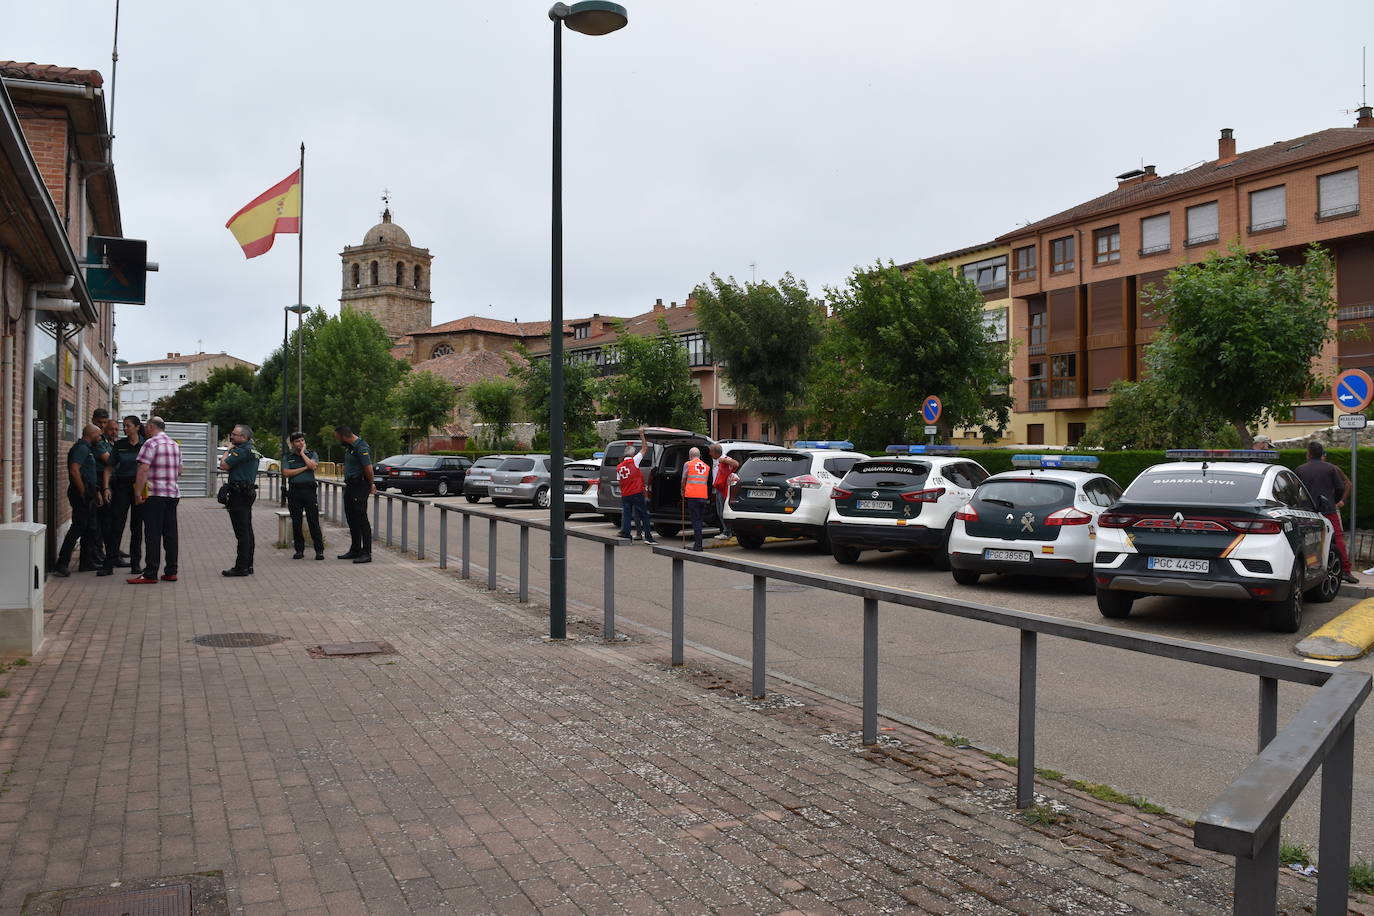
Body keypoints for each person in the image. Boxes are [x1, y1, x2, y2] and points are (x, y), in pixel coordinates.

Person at [1295, 440, 1358, 585]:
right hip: (1328, 510)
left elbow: (1295, 490)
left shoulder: (1300, 469)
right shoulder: (1331, 469)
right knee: (1338, 539)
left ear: (1309, 454)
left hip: (1307, 512)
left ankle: (1309, 567)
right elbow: (1341, 487)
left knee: (1309, 540)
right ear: (1321, 453)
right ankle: (1346, 571)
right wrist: (1334, 501)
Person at [128, 416, 182, 584]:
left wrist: (138, 492)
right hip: (172, 495)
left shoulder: (150, 443)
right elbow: (180, 471)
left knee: (152, 534)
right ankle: (171, 571)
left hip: (154, 495)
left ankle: (150, 572)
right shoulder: (175, 445)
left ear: (151, 427)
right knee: (170, 533)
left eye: (146, 426)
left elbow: (143, 469)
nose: (144, 429)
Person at [51, 424, 103, 577]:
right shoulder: (81, 448)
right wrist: (82, 491)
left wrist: (96, 492)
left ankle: (86, 562)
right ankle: (62, 563)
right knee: (78, 527)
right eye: (98, 435)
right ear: (92, 434)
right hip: (81, 492)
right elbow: (74, 470)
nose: (99, 438)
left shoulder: (88, 449)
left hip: (89, 492)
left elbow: (89, 472)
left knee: (90, 527)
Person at [99, 416, 145, 577]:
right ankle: (109, 563)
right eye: (123, 426)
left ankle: (136, 564)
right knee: (117, 525)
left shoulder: (146, 444)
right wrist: (105, 488)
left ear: (137, 427)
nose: (124, 429)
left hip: (141, 486)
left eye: (128, 426)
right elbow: (108, 468)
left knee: (137, 526)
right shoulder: (120, 445)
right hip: (122, 486)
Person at [219, 425, 259, 577]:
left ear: (244, 437)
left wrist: (228, 450)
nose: (232, 437)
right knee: (247, 530)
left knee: (242, 532)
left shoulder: (241, 450)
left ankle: (241, 567)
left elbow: (224, 465)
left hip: (239, 494)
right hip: (247, 492)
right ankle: (248, 565)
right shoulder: (253, 450)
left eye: (235, 435)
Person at [335, 424, 374, 563]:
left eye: (338, 437)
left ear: (344, 436)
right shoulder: (350, 447)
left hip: (360, 486)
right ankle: (355, 549)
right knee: (351, 518)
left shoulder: (361, 447)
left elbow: (368, 468)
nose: (338, 440)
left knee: (361, 519)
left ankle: (366, 552)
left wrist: (372, 484)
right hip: (350, 486)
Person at [282, 431, 325, 560]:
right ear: (292, 443)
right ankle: (299, 550)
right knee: (296, 521)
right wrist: (304, 468)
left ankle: (319, 550)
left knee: (313, 521)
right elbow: (286, 472)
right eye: (297, 441)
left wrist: (302, 454)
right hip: (295, 491)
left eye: (302, 440)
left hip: (309, 491)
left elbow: (312, 466)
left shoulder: (311, 454)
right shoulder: (287, 456)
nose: (301, 443)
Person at [616, 430, 655, 544]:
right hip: (636, 492)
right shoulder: (634, 461)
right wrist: (642, 435)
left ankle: (627, 536)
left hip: (625, 494)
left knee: (627, 515)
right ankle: (648, 537)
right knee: (644, 514)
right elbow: (644, 448)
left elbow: (620, 482)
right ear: (632, 454)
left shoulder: (619, 467)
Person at [681, 446, 712, 552]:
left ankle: (698, 545)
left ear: (690, 456)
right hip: (703, 496)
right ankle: (698, 543)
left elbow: (684, 479)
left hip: (692, 496)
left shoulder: (688, 464)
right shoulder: (706, 466)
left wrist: (682, 491)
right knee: (699, 520)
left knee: (695, 521)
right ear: (700, 456)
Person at [709, 444, 739, 541]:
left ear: (715, 452)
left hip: (724, 490)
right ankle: (726, 530)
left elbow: (736, 464)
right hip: (718, 489)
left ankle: (727, 532)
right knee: (719, 512)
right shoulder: (715, 460)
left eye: (711, 451)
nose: (709, 453)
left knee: (722, 512)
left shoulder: (724, 458)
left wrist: (724, 461)